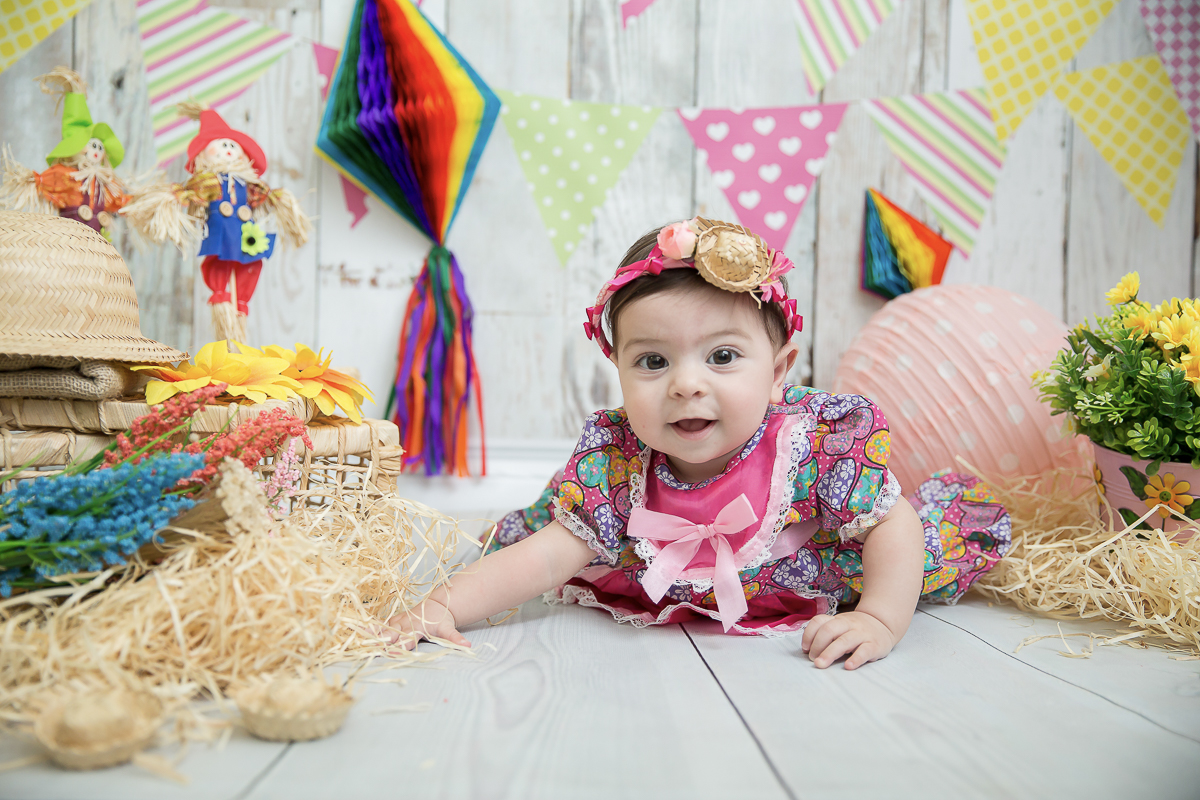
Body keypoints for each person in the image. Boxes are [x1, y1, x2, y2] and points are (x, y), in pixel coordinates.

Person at [382, 218, 1011, 670]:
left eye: (723, 356)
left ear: (779, 370)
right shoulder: (620, 461)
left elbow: (889, 524)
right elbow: (548, 558)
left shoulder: (814, 442)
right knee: (537, 538)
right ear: (619, 372)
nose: (686, 384)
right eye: (653, 360)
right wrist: (441, 606)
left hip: (807, 571)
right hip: (662, 574)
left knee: (915, 545)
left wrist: (878, 616)